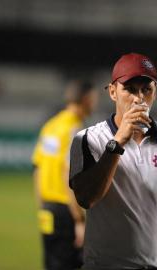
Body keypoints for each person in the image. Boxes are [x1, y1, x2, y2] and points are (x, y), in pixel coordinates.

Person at [69, 53, 157, 270]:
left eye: (146, 89)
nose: (139, 98)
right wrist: (118, 141)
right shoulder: (88, 139)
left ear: (155, 91)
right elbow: (86, 198)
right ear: (112, 91)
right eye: (130, 89)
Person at [32, 80, 99, 270]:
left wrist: (42, 206)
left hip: (47, 208)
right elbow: (69, 173)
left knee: (52, 263)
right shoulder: (74, 130)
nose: (94, 104)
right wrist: (79, 220)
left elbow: (37, 169)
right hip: (66, 212)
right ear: (86, 100)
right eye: (93, 99)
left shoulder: (51, 126)